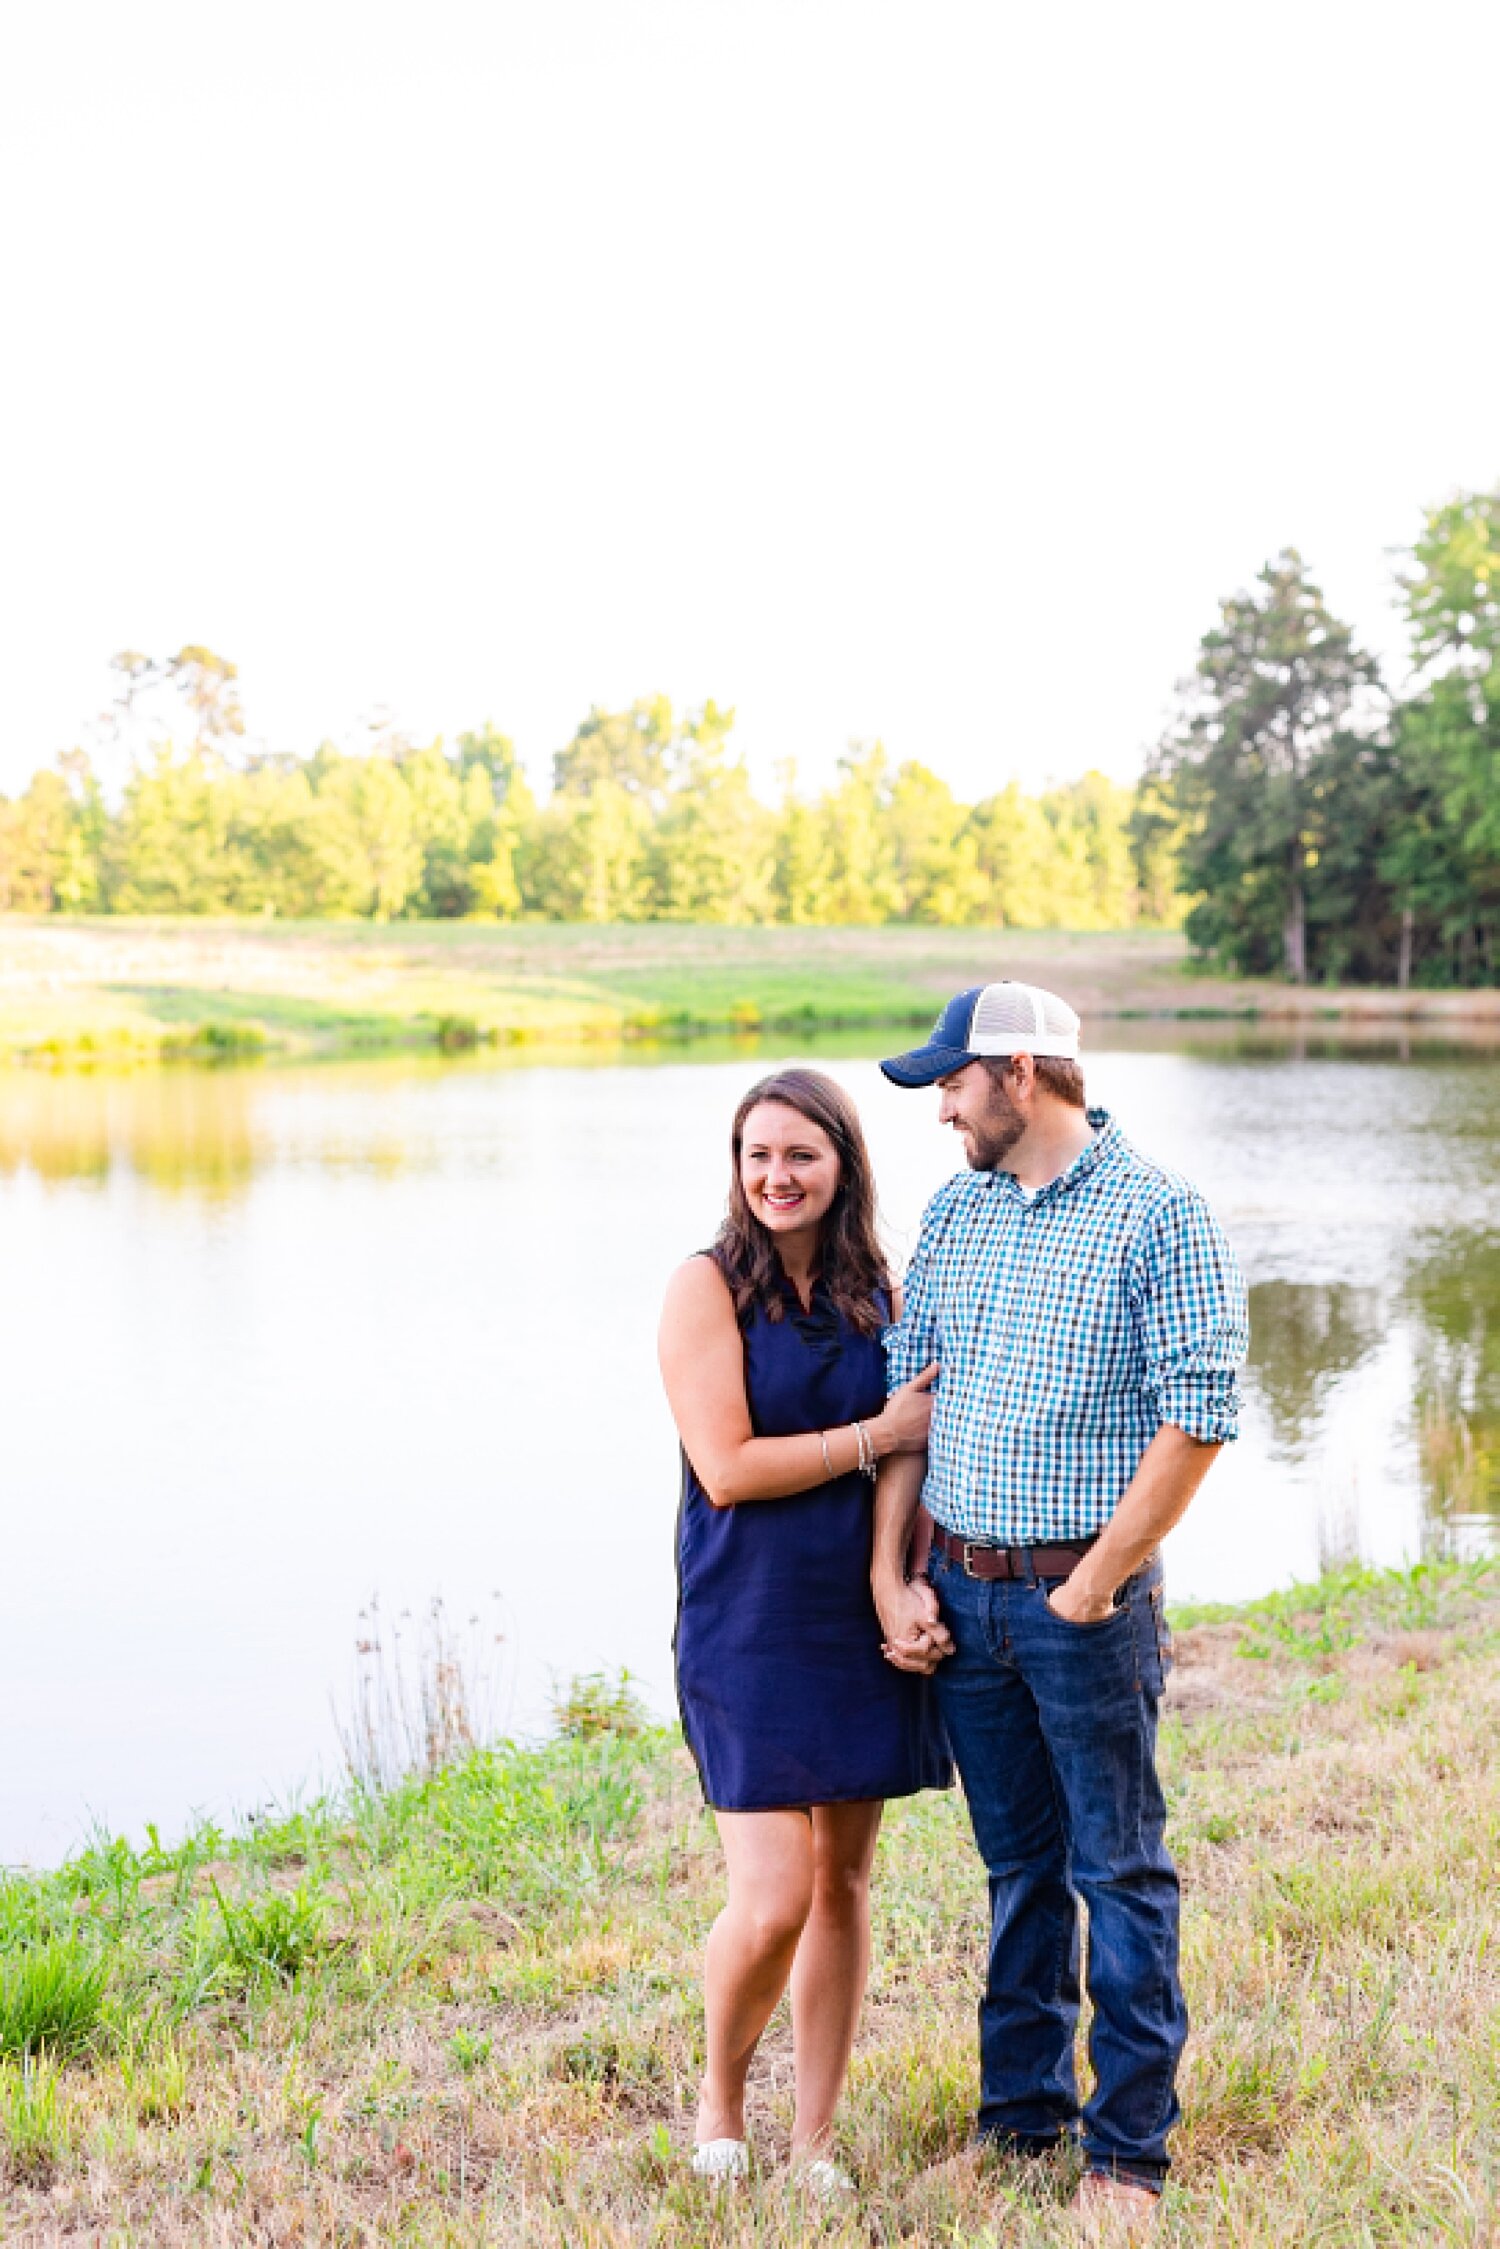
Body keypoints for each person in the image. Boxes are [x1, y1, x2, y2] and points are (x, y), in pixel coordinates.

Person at [873, 982, 1248, 2237]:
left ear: (1019, 1073)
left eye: (953, 1082)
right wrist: (900, 1568)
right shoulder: (959, 1212)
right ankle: (1020, 2118)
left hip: (1085, 1602)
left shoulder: (1161, 1213)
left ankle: (1127, 2154)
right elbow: (913, 1402)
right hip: (966, 1601)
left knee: (1118, 1869)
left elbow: (1200, 1412)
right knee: (1019, 1871)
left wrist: (1097, 1579)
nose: (940, 1109)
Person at [660, 1067, 952, 2194]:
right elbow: (727, 1468)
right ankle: (721, 2093)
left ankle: (815, 2138)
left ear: (844, 1164)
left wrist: (894, 1578)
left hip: (851, 1614)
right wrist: (874, 1433)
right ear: (737, 1168)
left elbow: (918, 1440)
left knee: (845, 1882)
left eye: (801, 1155)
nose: (776, 1176)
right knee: (773, 1891)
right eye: (757, 1155)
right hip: (747, 1616)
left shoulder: (881, 1288)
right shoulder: (704, 1288)